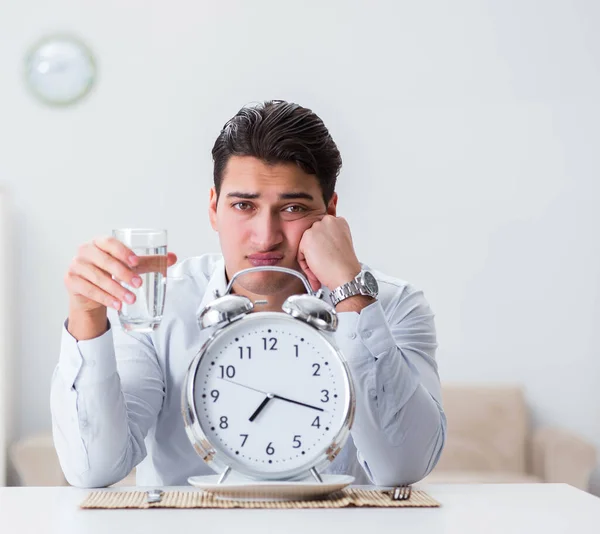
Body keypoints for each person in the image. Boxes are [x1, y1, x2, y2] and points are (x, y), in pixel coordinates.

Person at [51, 100, 446, 488]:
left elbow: (403, 466)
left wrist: (350, 289)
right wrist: (87, 316)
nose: (265, 236)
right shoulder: (161, 304)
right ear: (213, 208)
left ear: (330, 212)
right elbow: (95, 469)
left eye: (292, 207)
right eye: (243, 205)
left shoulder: (392, 307)